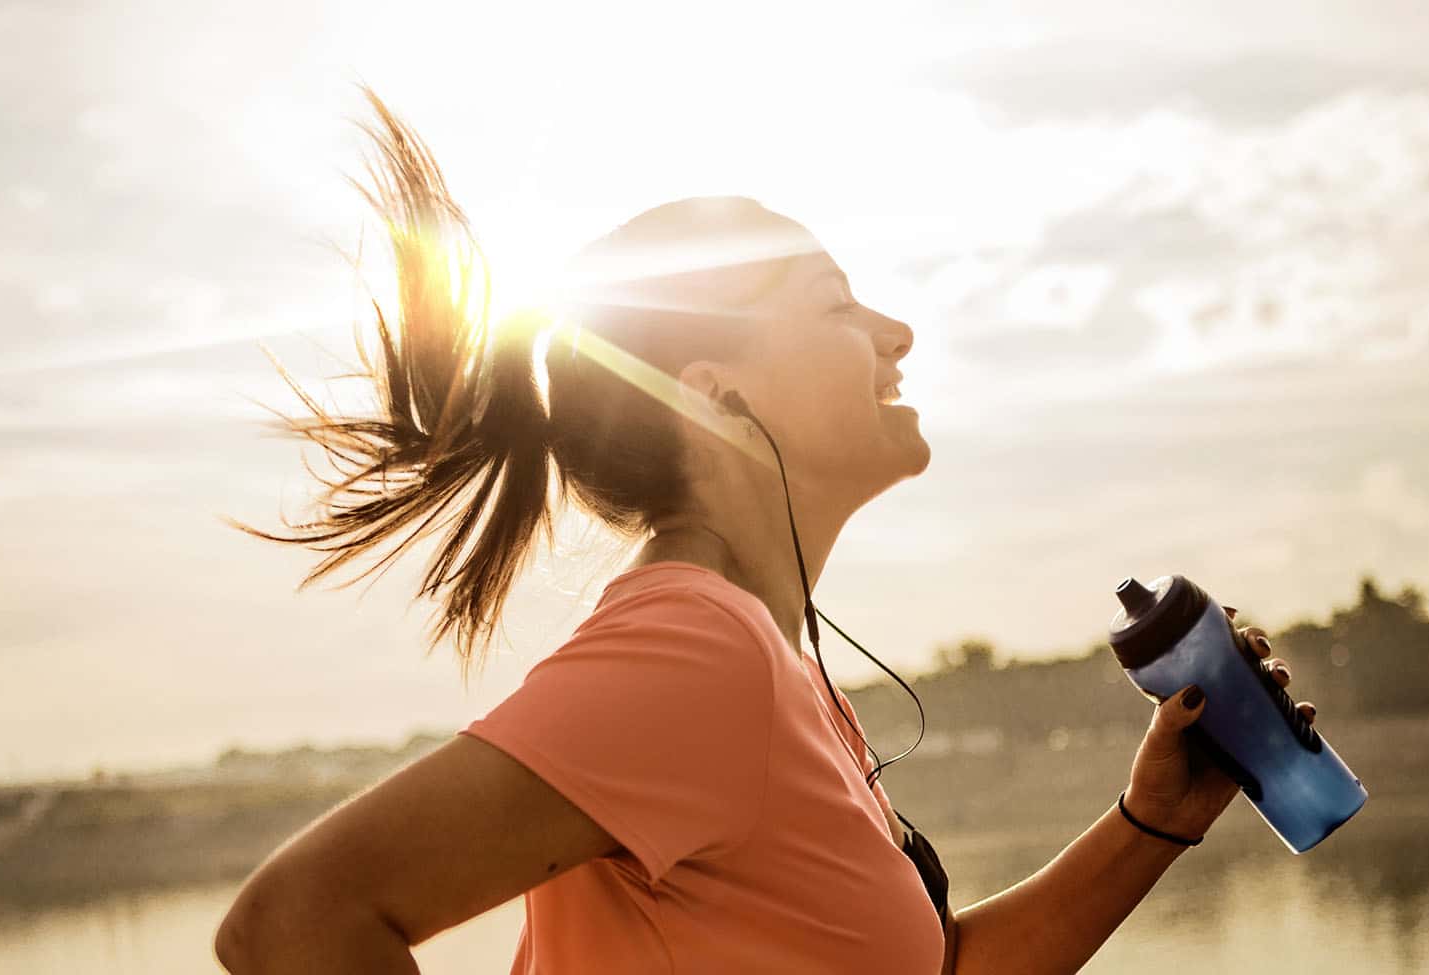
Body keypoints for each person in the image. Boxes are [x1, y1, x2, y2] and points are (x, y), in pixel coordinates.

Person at [212, 87, 1317, 975]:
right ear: (717, 393)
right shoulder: (698, 654)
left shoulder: (773, 663)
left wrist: (1152, 820)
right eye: (838, 305)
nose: (897, 332)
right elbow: (296, 924)